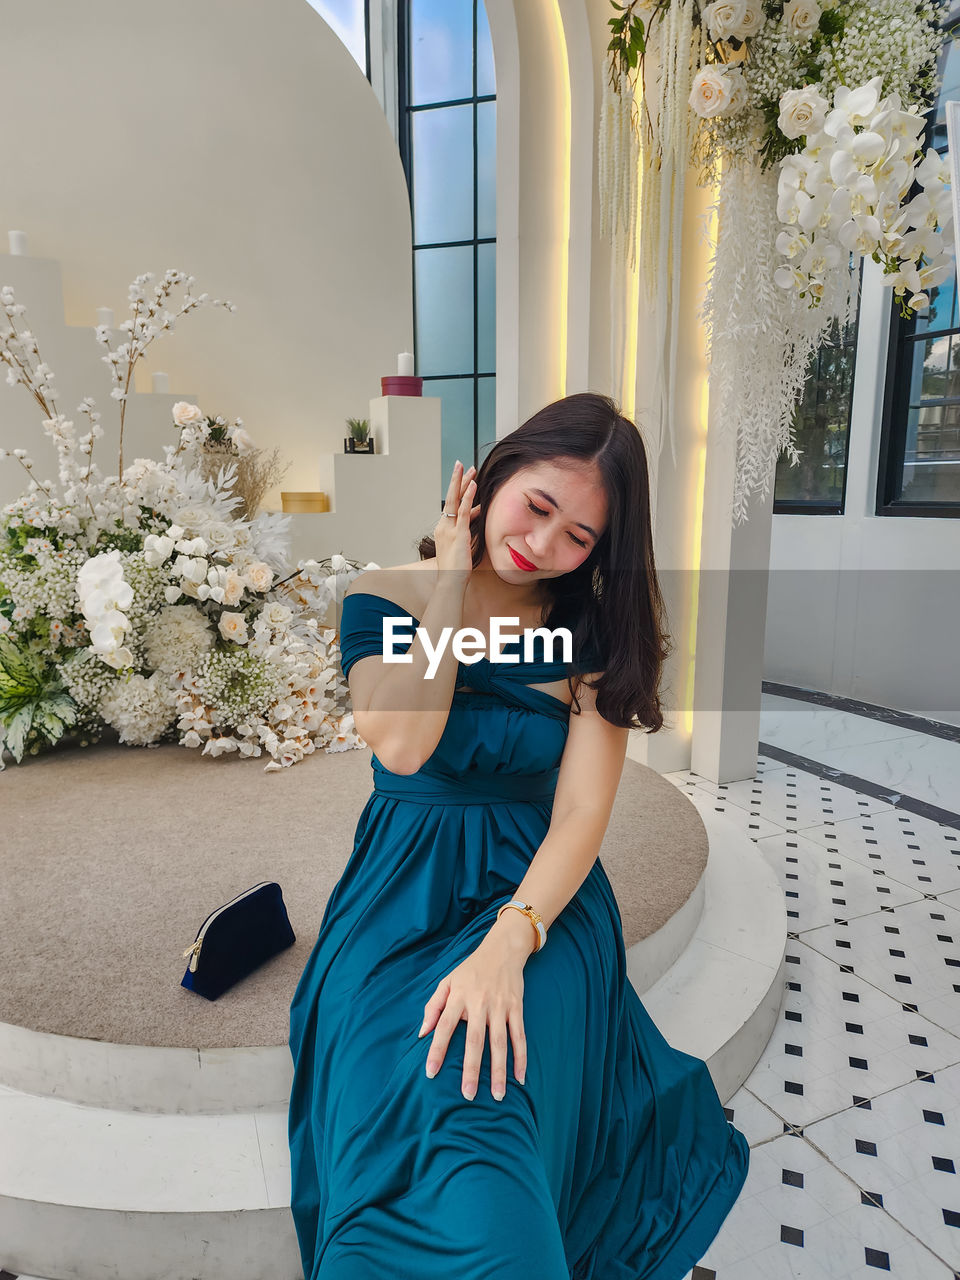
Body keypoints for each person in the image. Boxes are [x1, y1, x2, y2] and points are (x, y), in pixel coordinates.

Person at [287, 391, 750, 1279]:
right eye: (538, 507)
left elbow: (581, 814)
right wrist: (450, 581)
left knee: (485, 1085)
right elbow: (406, 742)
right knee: (403, 1073)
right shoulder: (381, 598)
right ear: (495, 471)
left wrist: (511, 940)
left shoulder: (588, 636)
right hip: (402, 888)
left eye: (577, 537)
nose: (543, 545)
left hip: (540, 892)